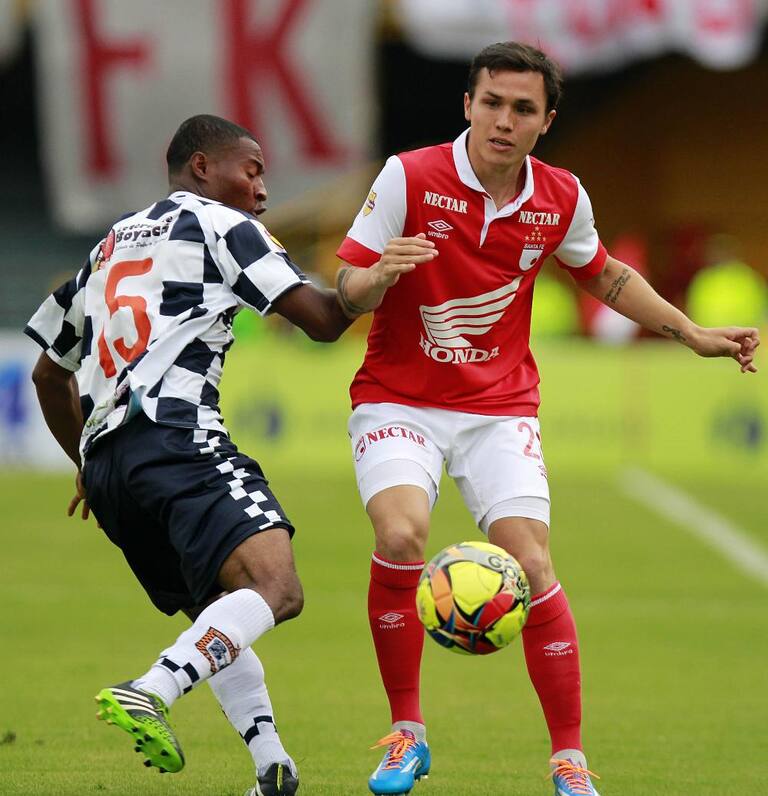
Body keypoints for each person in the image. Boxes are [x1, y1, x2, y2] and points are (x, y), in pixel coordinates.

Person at [334, 42, 760, 796]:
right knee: (401, 535)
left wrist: (691, 332)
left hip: (499, 406)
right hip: (399, 398)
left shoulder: (562, 196)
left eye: (522, 109)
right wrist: (377, 279)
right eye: (492, 103)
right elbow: (346, 284)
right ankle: (407, 734)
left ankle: (569, 759)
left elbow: (605, 275)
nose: (504, 120)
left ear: (546, 121)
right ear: (468, 105)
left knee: (531, 566)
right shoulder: (409, 176)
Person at [26, 114, 429, 796]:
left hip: (112, 470)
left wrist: (86, 468)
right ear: (203, 167)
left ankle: (273, 767)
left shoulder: (107, 247)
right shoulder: (221, 225)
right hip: (177, 439)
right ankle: (151, 689)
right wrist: (375, 279)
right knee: (277, 588)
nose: (263, 190)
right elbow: (323, 322)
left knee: (220, 608)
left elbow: (47, 373)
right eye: (253, 170)